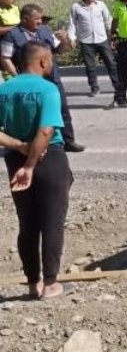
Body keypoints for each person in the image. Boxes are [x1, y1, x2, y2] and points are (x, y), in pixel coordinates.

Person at [0, 41, 74, 300]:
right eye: (51, 60)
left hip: (14, 160)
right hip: (48, 159)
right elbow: (46, 130)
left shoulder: (3, 89)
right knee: (52, 221)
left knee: (28, 224)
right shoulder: (48, 89)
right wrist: (31, 164)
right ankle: (51, 284)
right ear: (43, 61)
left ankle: (33, 283)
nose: (52, 64)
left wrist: (20, 147)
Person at [0, 5, 83, 152]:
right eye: (36, 18)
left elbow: (59, 50)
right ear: (25, 19)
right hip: (28, 82)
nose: (40, 21)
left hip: (51, 77)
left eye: (41, 18)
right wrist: (18, 78)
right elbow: (5, 58)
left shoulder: (45, 30)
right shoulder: (12, 35)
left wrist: (64, 40)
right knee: (32, 112)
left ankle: (68, 141)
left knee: (62, 108)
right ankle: (30, 144)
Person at [67, 0, 117, 98]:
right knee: (90, 66)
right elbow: (72, 23)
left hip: (102, 39)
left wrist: (112, 34)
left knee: (111, 63)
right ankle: (94, 88)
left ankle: (117, 86)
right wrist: (72, 38)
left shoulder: (101, 5)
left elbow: (108, 20)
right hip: (86, 41)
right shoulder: (76, 7)